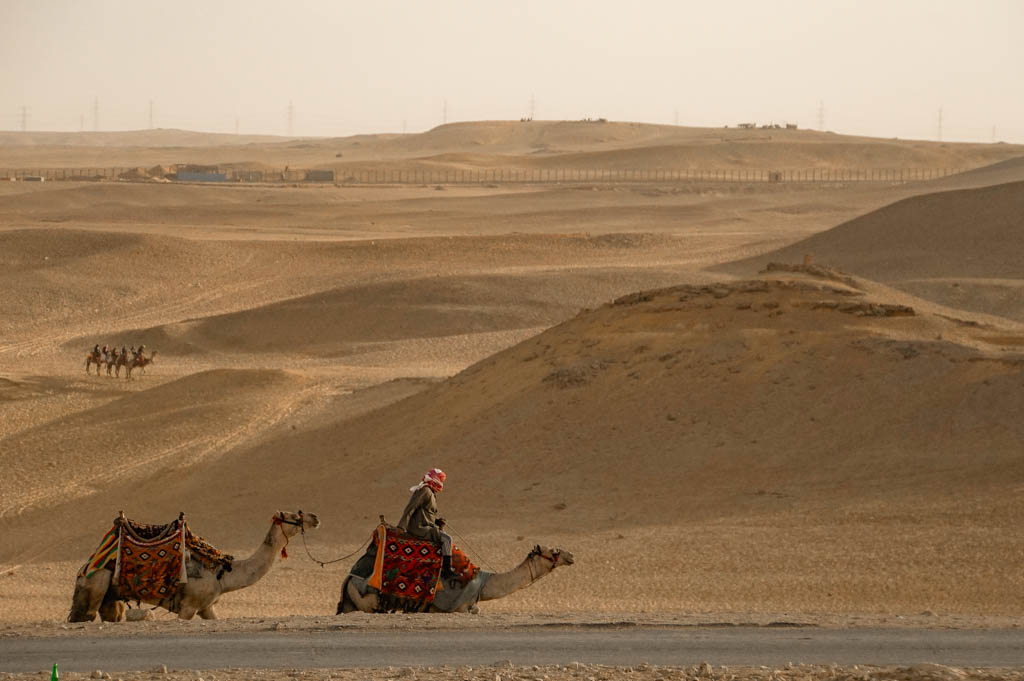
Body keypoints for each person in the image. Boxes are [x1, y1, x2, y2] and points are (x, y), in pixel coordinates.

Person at [397, 468, 455, 578]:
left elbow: (425, 513)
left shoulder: (430, 492)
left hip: (426, 526)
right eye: (441, 481)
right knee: (447, 539)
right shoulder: (425, 491)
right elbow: (411, 508)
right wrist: (401, 526)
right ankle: (446, 570)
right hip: (420, 528)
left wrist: (437, 521)